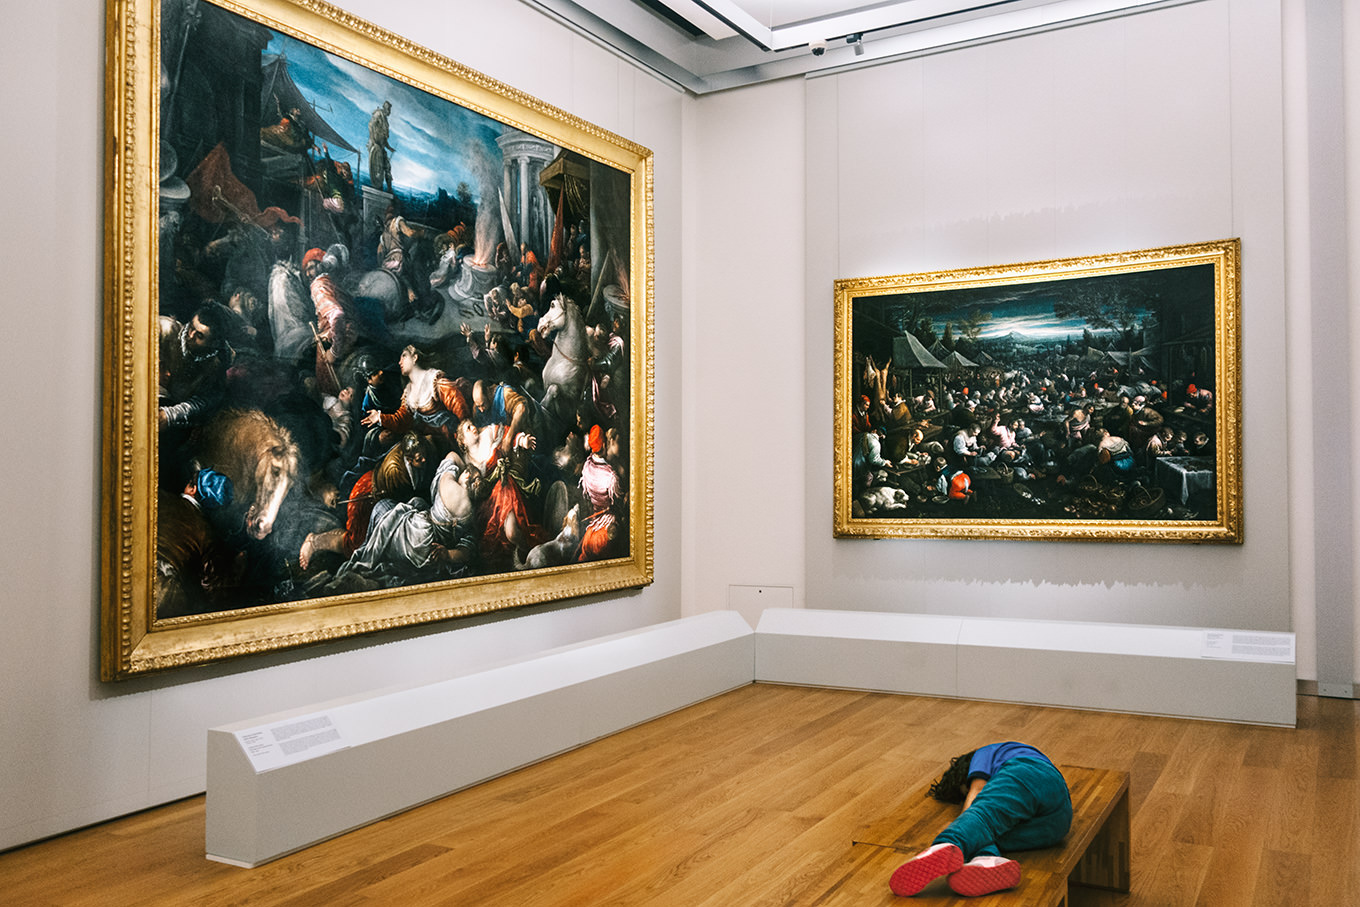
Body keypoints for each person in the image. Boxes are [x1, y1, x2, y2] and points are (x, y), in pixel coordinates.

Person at [889, 742, 1072, 898]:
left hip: (1028, 773)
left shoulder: (983, 753)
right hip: (1056, 824)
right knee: (984, 833)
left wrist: (960, 824)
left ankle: (947, 843)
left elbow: (977, 791)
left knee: (982, 818)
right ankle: (987, 861)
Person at [368, 101, 394, 192]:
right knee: (377, 168)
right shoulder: (378, 114)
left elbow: (384, 138)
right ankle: (377, 186)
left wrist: (389, 147)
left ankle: (389, 189)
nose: (389, 111)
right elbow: (371, 125)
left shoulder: (386, 122)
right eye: (388, 109)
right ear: (385, 108)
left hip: (381, 147)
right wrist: (373, 140)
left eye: (390, 109)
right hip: (375, 146)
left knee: (387, 166)